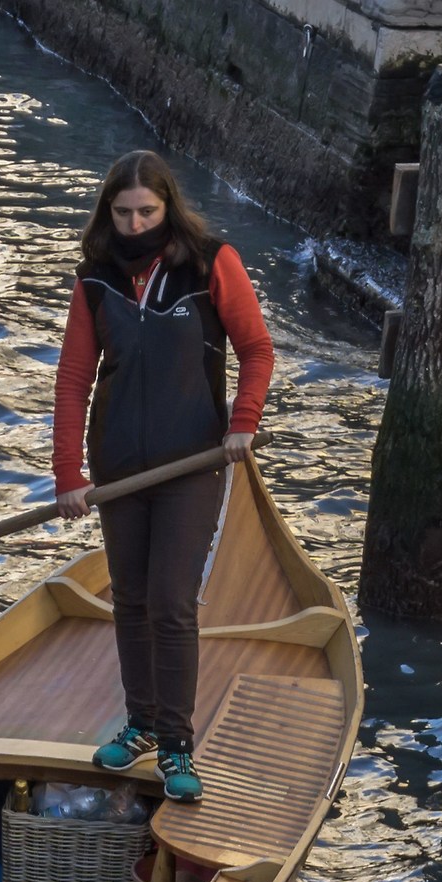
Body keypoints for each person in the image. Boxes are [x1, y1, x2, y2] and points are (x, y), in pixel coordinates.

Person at [53, 149, 275, 803]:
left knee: (173, 603)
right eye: (122, 213)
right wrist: (69, 471)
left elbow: (257, 349)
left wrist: (243, 421)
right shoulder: (94, 279)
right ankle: (142, 724)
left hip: (192, 462)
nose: (134, 223)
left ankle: (178, 747)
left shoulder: (211, 264)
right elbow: (73, 382)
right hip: (119, 466)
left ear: (168, 207)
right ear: (108, 214)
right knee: (131, 598)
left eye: (146, 211)